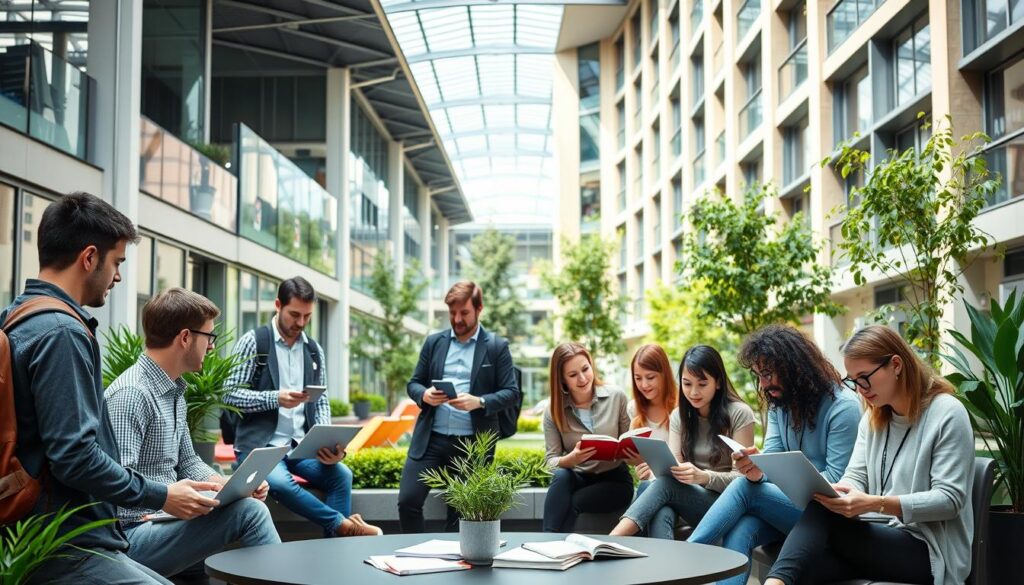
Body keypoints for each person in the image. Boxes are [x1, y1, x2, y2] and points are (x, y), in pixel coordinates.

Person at [4, 192, 219, 585]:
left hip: (42, 537)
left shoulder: (16, 316)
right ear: (89, 258)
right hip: (66, 545)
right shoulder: (61, 333)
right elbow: (76, 457)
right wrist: (163, 495)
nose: (118, 276)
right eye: (117, 262)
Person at [765, 325, 974, 585]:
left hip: (929, 552)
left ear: (896, 365)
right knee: (807, 569)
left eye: (864, 377)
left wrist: (875, 503)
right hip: (879, 535)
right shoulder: (874, 418)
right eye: (853, 380)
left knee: (821, 516)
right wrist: (839, 494)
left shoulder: (947, 413)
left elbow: (950, 500)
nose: (860, 389)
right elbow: (855, 476)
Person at [105, 288, 281, 577]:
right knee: (250, 512)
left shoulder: (173, 390)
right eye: (209, 337)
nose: (212, 346)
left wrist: (227, 486)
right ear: (185, 338)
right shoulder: (132, 395)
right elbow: (114, 485)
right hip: (129, 534)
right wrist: (167, 498)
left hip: (162, 522)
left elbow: (188, 462)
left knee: (244, 504)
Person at [686, 324, 861, 585]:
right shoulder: (780, 403)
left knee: (746, 490)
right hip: (791, 510)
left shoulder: (843, 407)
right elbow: (773, 459)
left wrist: (763, 481)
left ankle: (685, 555)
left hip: (827, 517)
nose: (763, 384)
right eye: (758, 376)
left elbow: (835, 483)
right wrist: (758, 471)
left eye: (768, 374)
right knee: (743, 525)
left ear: (795, 366)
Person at [224, 276, 380, 537]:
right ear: (277, 305)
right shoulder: (254, 342)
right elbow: (228, 394)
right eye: (294, 314)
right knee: (281, 485)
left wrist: (331, 444)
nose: (300, 323)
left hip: (299, 447)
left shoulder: (314, 351)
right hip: (262, 448)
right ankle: (343, 527)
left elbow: (321, 401)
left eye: (307, 316)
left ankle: (334, 557)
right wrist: (274, 398)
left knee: (341, 475)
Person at [398, 281, 521, 533]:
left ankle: (454, 567)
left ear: (479, 309)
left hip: (471, 445)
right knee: (407, 501)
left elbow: (512, 393)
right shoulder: (434, 343)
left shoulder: (497, 346)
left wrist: (480, 401)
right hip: (431, 440)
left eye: (464, 312)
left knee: (459, 516)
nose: (457, 319)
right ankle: (414, 555)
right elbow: (413, 384)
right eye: (452, 313)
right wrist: (425, 395)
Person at [611, 345, 756, 539]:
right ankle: (665, 567)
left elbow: (743, 479)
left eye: (702, 384)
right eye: (687, 384)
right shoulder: (680, 416)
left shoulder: (739, 413)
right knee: (655, 496)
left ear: (718, 382)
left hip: (728, 504)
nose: (694, 392)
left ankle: (610, 541)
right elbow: (673, 468)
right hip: (691, 499)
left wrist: (703, 477)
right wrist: (654, 470)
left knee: (661, 487)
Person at [542, 342, 634, 532]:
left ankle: (552, 543)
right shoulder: (553, 410)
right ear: (562, 379)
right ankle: (548, 538)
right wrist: (571, 459)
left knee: (572, 502)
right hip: (578, 477)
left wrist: (631, 452)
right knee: (561, 475)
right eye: (573, 375)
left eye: (585, 369)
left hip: (615, 480)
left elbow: (630, 448)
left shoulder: (617, 397)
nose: (582, 378)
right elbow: (549, 463)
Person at [622, 344, 678, 533]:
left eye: (650, 377)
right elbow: (637, 458)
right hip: (653, 492)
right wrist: (637, 463)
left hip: (678, 486)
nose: (644, 385)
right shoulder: (634, 409)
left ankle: (619, 540)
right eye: (638, 378)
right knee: (660, 512)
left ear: (664, 374)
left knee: (648, 488)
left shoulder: (681, 408)